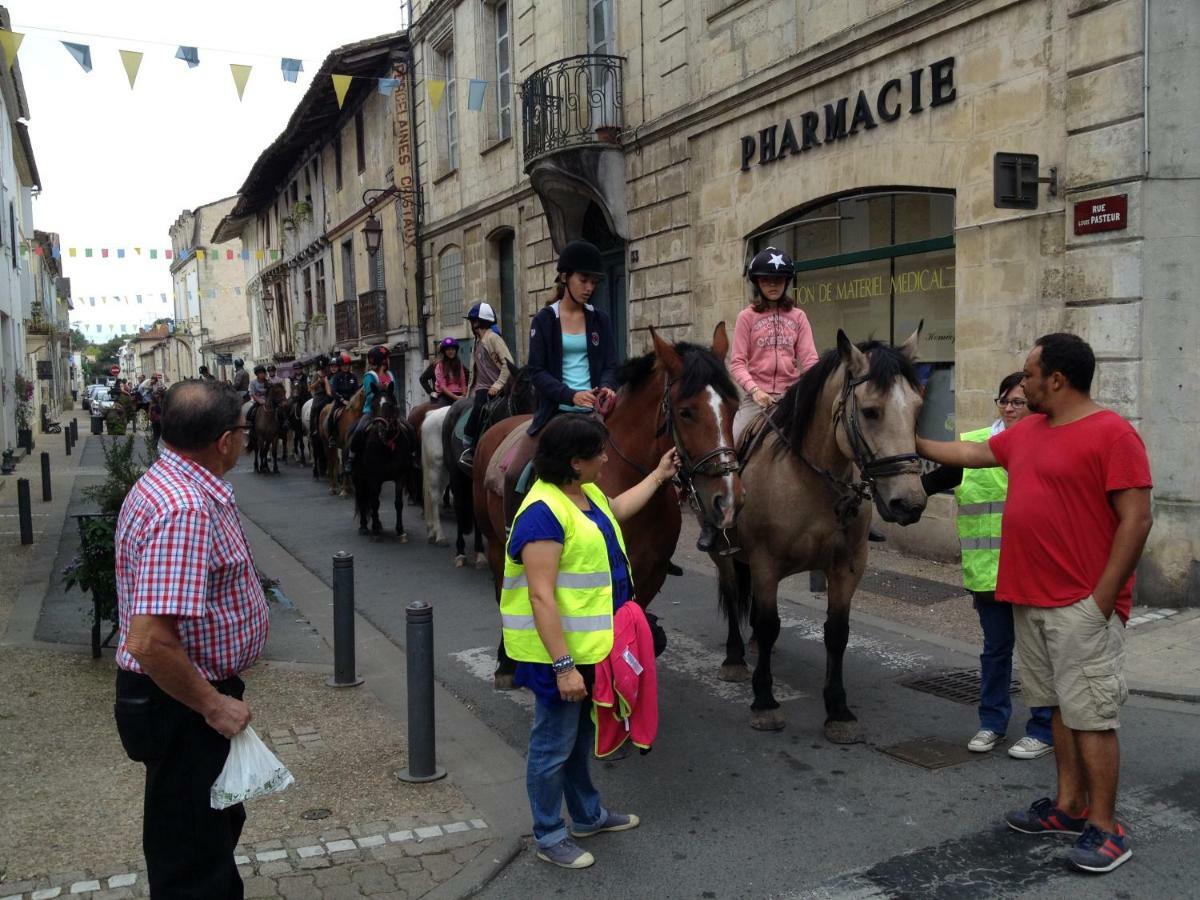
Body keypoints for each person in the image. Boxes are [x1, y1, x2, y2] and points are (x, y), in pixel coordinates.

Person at [917, 333, 1153, 875]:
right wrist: (909, 439)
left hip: (1080, 605)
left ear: (1057, 379)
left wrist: (1101, 600)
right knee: (1059, 710)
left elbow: (1136, 520)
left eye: (1028, 374)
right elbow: (971, 453)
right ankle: (1069, 807)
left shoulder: (1112, 434)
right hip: (1029, 598)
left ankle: (1107, 828)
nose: (1020, 385)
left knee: (1092, 716)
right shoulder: (1027, 433)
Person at [501, 414, 679, 869]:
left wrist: (658, 476)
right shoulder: (542, 513)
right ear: (574, 462)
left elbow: (616, 510)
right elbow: (541, 597)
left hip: (589, 647)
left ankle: (587, 815)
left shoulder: (585, 493)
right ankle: (549, 833)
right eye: (598, 452)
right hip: (556, 656)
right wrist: (563, 667)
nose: (606, 457)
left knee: (579, 740)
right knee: (551, 745)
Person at [113, 380, 268, 896]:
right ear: (224, 440)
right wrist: (213, 706)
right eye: (244, 430)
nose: (246, 440)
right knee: (194, 864)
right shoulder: (184, 507)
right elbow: (150, 641)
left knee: (206, 838)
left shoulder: (173, 484)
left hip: (183, 700)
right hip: (181, 705)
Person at [922, 372, 1054, 759]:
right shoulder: (974, 445)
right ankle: (992, 723)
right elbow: (925, 488)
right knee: (996, 651)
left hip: (1035, 572)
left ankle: (1042, 728)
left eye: (1020, 402)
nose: (1011, 408)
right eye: (1005, 401)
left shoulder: (1047, 445)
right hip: (990, 573)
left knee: (1037, 655)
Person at [525, 240, 619, 439]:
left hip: (597, 413)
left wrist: (607, 387)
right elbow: (536, 372)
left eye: (593, 282)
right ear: (564, 277)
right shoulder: (544, 320)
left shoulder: (601, 319)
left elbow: (610, 365)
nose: (589, 288)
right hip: (555, 414)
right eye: (584, 280)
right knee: (516, 470)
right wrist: (571, 395)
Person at [728, 246, 819, 445]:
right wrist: (755, 390)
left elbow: (810, 360)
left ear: (786, 282)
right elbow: (737, 363)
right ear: (757, 283)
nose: (772, 285)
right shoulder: (746, 317)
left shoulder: (798, 317)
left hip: (791, 397)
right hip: (757, 398)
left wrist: (808, 389)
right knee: (733, 442)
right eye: (766, 280)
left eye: (778, 280)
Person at [458, 301, 514, 466]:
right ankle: (471, 446)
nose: (470, 324)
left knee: (479, 408)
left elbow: (508, 362)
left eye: (471, 321)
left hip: (495, 388)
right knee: (476, 405)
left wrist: (498, 384)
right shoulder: (477, 341)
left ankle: (469, 445)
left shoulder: (492, 338)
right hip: (482, 388)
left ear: (477, 322)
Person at [344, 346, 395, 475]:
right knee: (358, 430)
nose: (388, 361)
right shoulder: (369, 376)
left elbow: (395, 392)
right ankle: (351, 457)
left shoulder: (390, 375)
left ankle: (411, 456)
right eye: (385, 358)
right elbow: (369, 394)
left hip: (390, 411)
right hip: (372, 411)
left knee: (407, 429)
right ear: (380, 361)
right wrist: (382, 392)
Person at [433, 337, 468, 406]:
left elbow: (463, 381)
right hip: (445, 395)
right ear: (444, 352)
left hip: (459, 393)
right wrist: (456, 398)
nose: (451, 351)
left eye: (453, 349)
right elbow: (442, 386)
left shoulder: (459, 364)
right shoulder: (439, 366)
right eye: (448, 350)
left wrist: (464, 395)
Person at [246, 365, 270, 429]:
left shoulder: (268, 382)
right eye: (260, 373)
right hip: (257, 401)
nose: (262, 374)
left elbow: (270, 392)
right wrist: (259, 401)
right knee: (251, 411)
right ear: (257, 374)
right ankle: (250, 424)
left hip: (268, 401)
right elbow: (252, 394)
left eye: (263, 373)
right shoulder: (253, 383)